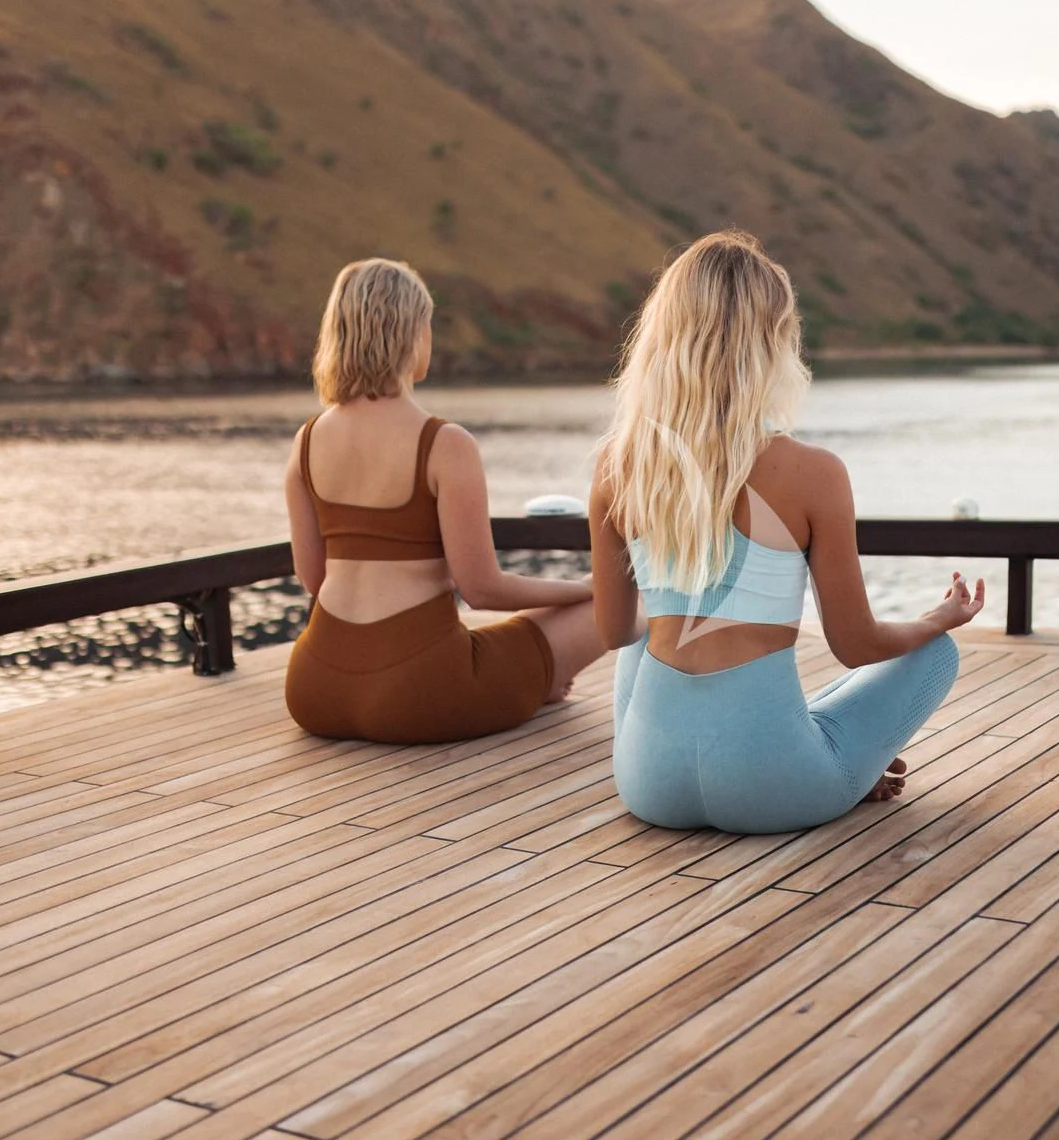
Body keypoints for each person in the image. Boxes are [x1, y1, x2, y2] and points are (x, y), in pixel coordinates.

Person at [589, 230, 985, 834]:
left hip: (648, 786)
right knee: (935, 656)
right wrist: (938, 619)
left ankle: (779, 742)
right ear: (773, 342)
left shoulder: (619, 465)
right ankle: (838, 762)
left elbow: (615, 631)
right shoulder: (814, 473)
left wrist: (683, 604)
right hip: (774, 789)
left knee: (647, 633)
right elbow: (856, 646)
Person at [284, 258, 604, 744]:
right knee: (615, 609)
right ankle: (537, 679)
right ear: (412, 333)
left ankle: (533, 679)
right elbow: (483, 590)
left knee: (513, 643)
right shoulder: (443, 443)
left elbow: (313, 578)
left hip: (314, 688)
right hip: (418, 691)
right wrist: (586, 588)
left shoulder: (306, 442)